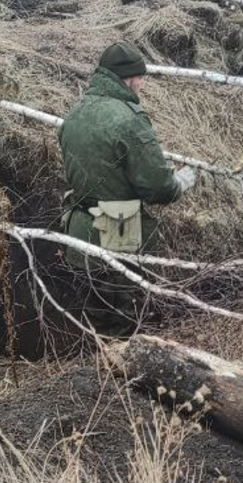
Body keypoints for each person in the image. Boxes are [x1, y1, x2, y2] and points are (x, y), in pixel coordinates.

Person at [58, 41, 195, 331]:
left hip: (79, 232)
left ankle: (98, 369)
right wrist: (182, 180)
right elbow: (159, 189)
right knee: (124, 324)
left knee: (95, 319)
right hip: (117, 228)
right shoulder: (129, 120)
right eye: (141, 77)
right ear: (129, 78)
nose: (143, 84)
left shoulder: (76, 112)